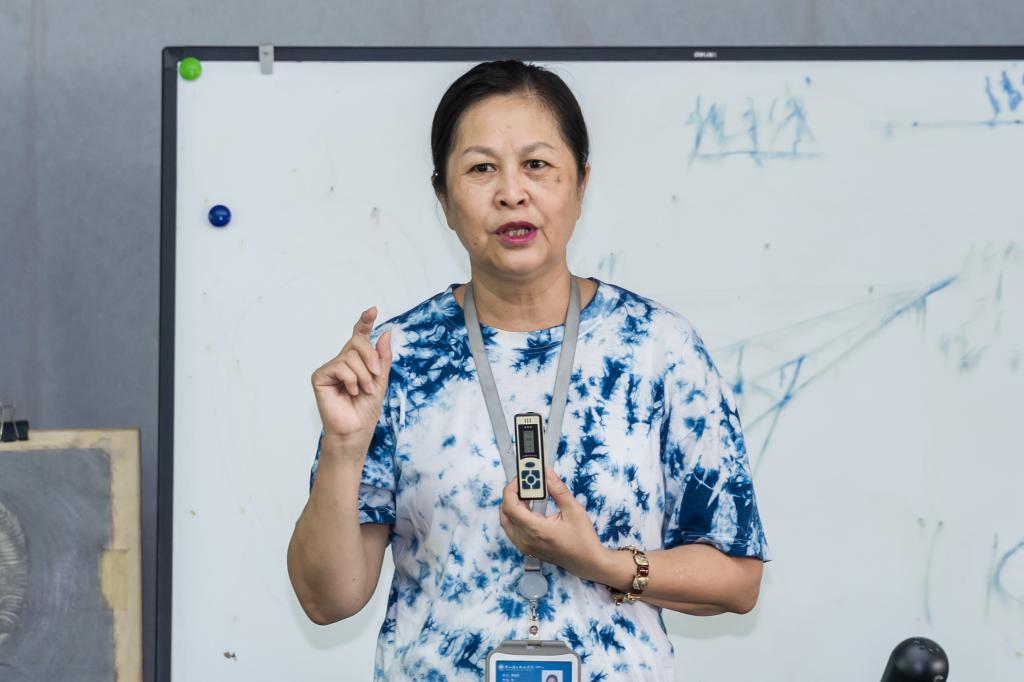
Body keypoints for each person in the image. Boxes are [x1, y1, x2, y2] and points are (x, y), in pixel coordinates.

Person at [287, 59, 770, 681]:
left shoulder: (658, 348)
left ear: (581, 183)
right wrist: (343, 447)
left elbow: (737, 580)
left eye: (537, 165)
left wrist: (602, 563)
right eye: (481, 168)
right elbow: (328, 600)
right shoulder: (395, 359)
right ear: (443, 198)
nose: (511, 192)